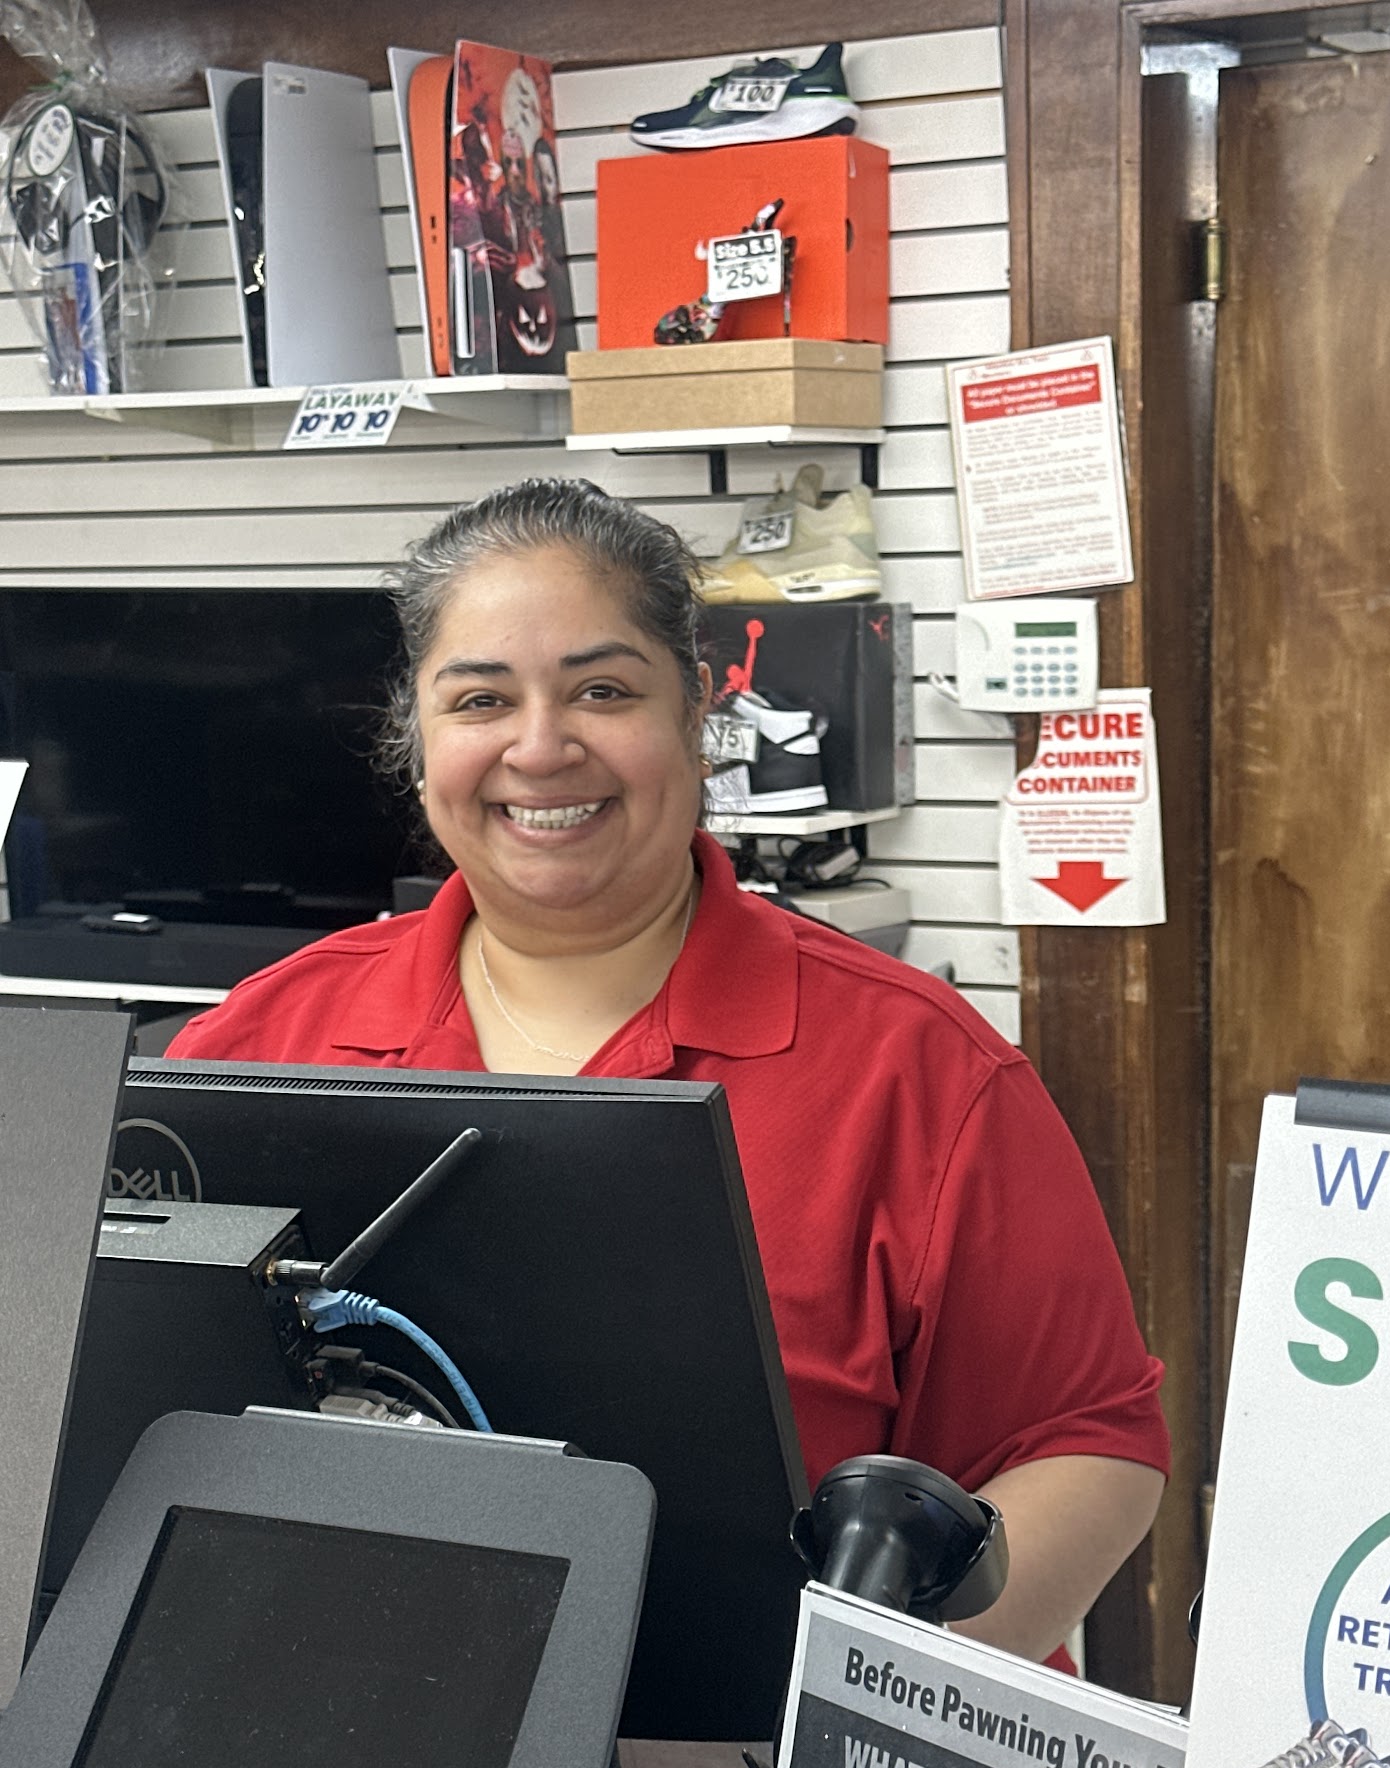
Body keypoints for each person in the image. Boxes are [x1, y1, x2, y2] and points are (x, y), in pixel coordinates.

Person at [168, 479, 1169, 1673]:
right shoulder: (253, 1047)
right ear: (419, 734)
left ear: (696, 710)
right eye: (482, 698)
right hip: (357, 1748)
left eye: (603, 689)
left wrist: (859, 1712)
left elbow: (1090, 1443)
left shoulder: (920, 1069)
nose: (541, 746)